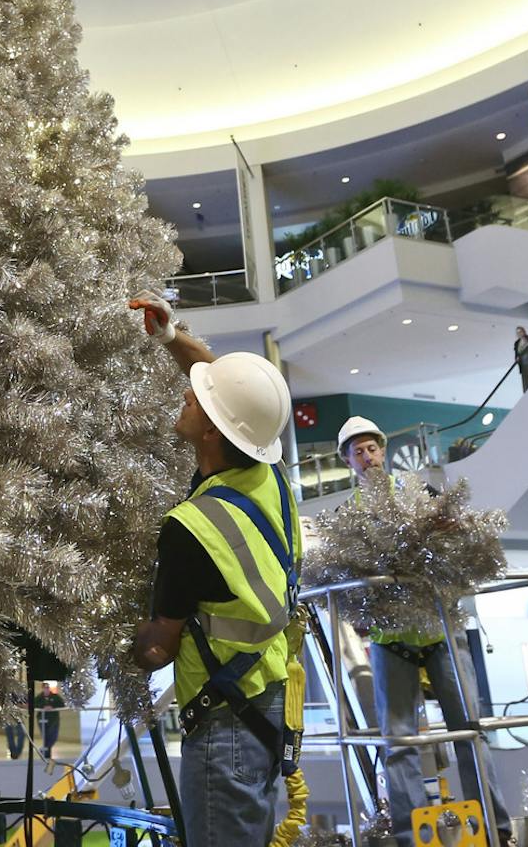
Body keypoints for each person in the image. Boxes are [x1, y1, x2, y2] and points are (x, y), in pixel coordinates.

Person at [124, 291, 299, 847]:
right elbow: (222, 387)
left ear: (211, 435)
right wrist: (170, 337)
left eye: (196, 402)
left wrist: (115, 632)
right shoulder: (268, 481)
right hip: (266, 704)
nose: (186, 395)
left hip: (223, 727)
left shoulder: (191, 528)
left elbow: (159, 649)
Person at [337, 417, 511, 847]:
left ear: (382, 450)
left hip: (439, 630)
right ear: (348, 461)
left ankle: (494, 830)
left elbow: (456, 541)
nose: (367, 457)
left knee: (469, 732)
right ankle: (410, 837)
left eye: (371, 448)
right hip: (389, 639)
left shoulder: (420, 496)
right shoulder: (351, 515)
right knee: (398, 742)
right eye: (357, 452)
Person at [37, 681, 67, 761]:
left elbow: (62, 704)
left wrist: (52, 706)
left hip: (53, 720)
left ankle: (45, 749)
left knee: (53, 736)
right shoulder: (39, 697)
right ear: (42, 688)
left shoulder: (55, 697)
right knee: (46, 737)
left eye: (47, 688)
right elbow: (35, 704)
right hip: (42, 719)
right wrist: (43, 706)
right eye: (45, 688)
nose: (46, 689)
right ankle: (47, 755)